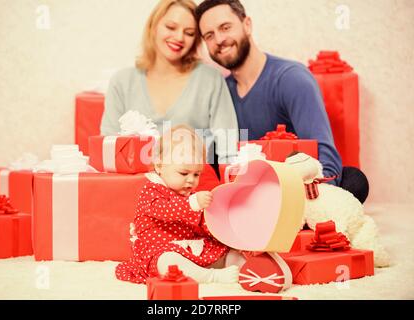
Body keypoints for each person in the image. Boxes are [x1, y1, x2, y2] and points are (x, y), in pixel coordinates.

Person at [195, 0, 369, 203]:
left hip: (295, 186)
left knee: (354, 182)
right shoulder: (221, 91)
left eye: (225, 27)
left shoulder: (291, 78)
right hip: (250, 189)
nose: (219, 39)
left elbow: (324, 152)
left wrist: (317, 199)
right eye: (209, 35)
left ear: (247, 24)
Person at [100, 0, 239, 188]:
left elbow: (227, 146)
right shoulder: (122, 82)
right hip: (135, 192)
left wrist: (230, 189)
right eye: (171, 27)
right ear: (154, 26)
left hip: (194, 193)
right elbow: (108, 147)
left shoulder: (210, 79)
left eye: (189, 33)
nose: (179, 37)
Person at [115, 125, 239, 284]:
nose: (191, 180)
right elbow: (165, 210)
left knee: (225, 251)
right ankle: (212, 277)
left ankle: (245, 269)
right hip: (158, 251)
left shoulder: (191, 197)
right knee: (168, 262)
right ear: (159, 166)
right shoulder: (151, 191)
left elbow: (203, 223)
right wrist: (193, 203)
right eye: (184, 173)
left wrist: (220, 230)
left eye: (196, 174)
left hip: (189, 248)